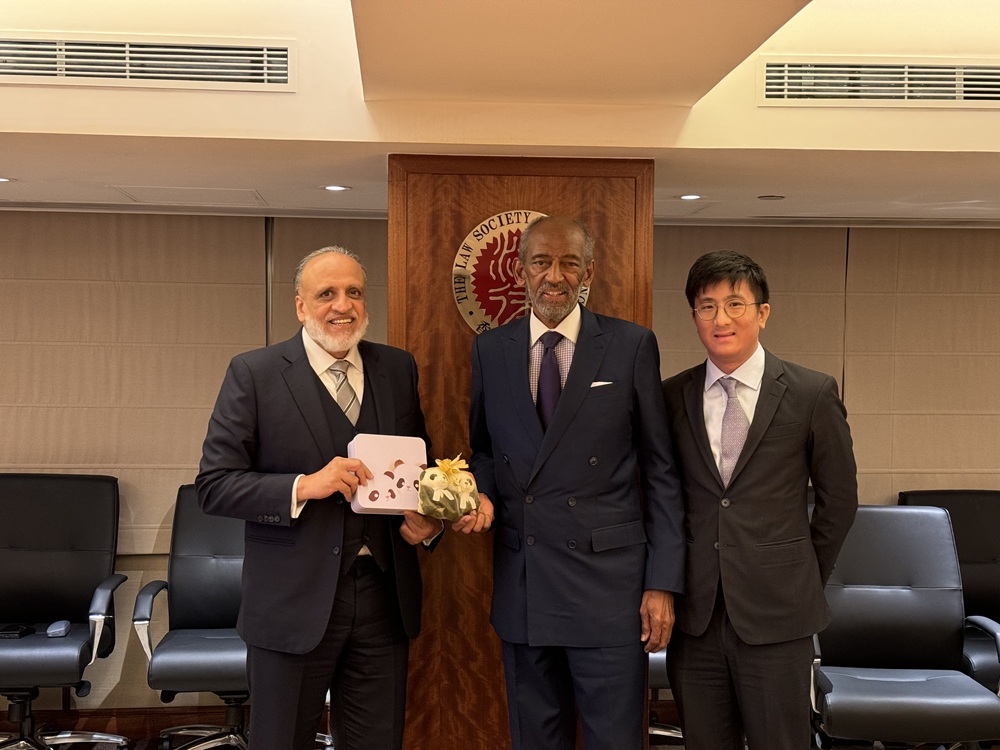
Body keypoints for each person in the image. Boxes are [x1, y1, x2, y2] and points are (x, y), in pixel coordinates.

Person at [196, 246, 443, 750]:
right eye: (326, 293)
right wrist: (304, 486)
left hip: (383, 600)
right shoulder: (255, 373)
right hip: (290, 603)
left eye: (354, 292)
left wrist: (431, 522)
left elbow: (420, 466)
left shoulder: (397, 368)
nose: (343, 305)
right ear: (300, 306)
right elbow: (215, 485)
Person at [461, 215, 685, 750]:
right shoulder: (491, 350)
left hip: (610, 591)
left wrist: (662, 582)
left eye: (568, 263)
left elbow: (661, 471)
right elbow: (484, 449)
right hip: (526, 585)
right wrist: (482, 493)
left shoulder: (631, 345)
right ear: (521, 269)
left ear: (589, 271)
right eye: (541, 262)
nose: (554, 275)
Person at [660, 250, 858, 750]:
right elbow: (663, 498)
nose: (720, 319)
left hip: (779, 616)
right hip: (696, 617)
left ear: (763, 313)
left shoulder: (812, 393)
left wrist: (800, 572)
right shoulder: (671, 396)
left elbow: (839, 501)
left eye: (735, 304)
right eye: (707, 306)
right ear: (694, 316)